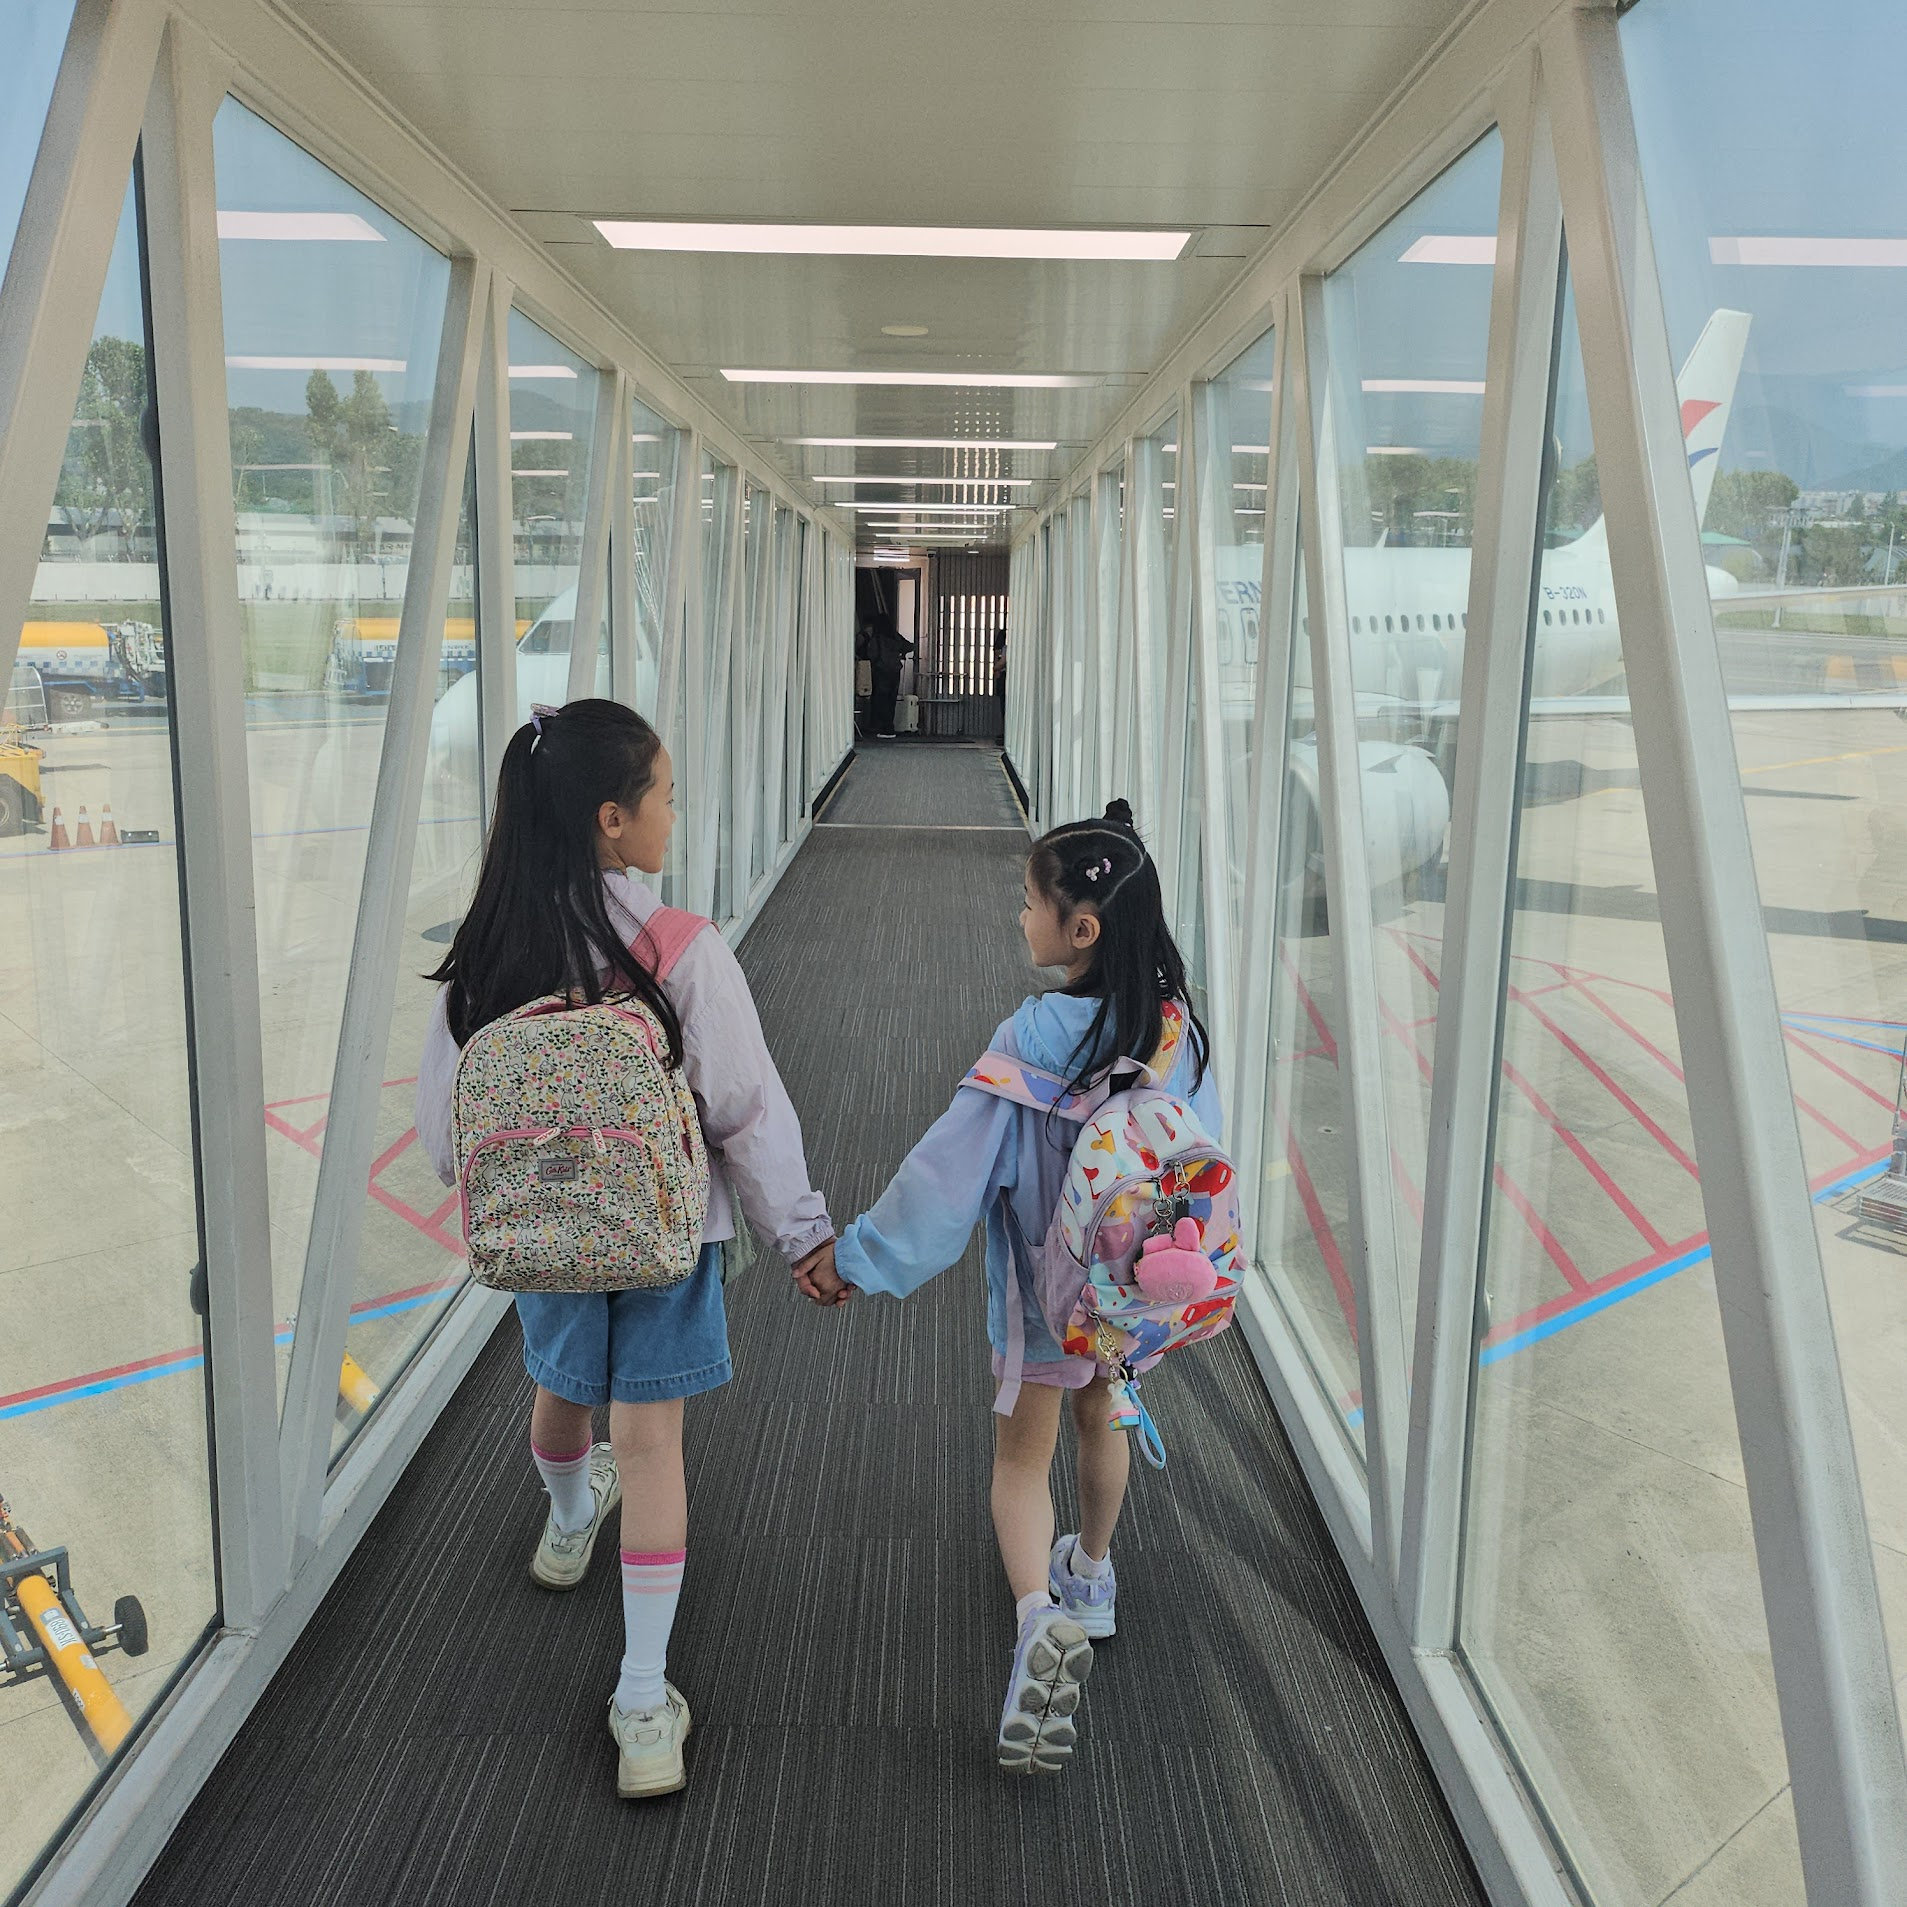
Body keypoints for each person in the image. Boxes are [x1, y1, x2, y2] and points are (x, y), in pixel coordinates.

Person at [414, 699, 842, 1800]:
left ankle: (567, 1522)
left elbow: (442, 1136)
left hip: (544, 1236)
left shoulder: (487, 953)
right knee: (650, 1447)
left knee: (561, 1391)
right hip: (665, 1233)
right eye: (664, 797)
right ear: (612, 818)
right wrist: (799, 1231)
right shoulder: (677, 949)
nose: (672, 814)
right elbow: (744, 1107)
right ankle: (643, 1699)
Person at [812, 799, 1217, 1774]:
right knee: (1102, 1417)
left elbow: (944, 1176)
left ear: (1082, 929)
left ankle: (1037, 1613)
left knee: (1018, 1463)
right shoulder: (1177, 1031)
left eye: (1031, 902)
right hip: (1134, 1292)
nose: (1020, 916)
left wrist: (857, 1255)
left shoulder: (1031, 1033)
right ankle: (1093, 1574)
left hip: (1045, 1295)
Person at [865, 619, 913, 738]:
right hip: (895, 671)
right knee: (891, 699)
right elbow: (909, 646)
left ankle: (884, 728)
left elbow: (871, 653)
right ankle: (889, 727)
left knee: (881, 699)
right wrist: (900, 654)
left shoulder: (877, 638)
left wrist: (876, 662)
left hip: (881, 671)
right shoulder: (895, 637)